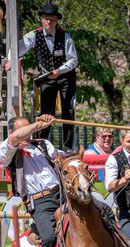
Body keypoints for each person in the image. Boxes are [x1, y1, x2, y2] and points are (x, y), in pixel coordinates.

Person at [0, 114, 62, 247]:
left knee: (102, 212)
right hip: (40, 202)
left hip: (62, 194)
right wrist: (38, 125)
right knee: (49, 237)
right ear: (11, 131)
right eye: (22, 130)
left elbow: (62, 159)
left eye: (29, 129)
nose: (27, 135)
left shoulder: (43, 144)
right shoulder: (6, 149)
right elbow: (15, 138)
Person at [12, 3, 78, 149]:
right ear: (41, 19)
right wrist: (11, 60)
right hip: (47, 77)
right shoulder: (34, 35)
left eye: (52, 19)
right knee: (45, 112)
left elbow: (73, 59)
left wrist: (59, 71)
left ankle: (68, 146)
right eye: (46, 19)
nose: (49, 22)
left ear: (56, 21)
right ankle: (42, 144)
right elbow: (18, 49)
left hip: (65, 76)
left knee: (68, 110)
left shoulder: (65, 36)